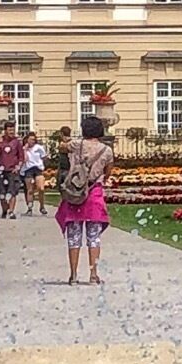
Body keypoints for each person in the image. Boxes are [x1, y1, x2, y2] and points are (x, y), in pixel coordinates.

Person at [57, 113, 115, 285]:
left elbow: (61, 147)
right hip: (94, 193)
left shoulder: (77, 144)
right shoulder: (107, 150)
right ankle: (93, 274)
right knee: (94, 236)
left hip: (76, 192)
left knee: (74, 235)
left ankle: (73, 275)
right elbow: (108, 171)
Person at [21, 132, 47, 215]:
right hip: (28, 169)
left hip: (38, 169)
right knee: (30, 190)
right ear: (27, 140)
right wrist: (25, 149)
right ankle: (29, 208)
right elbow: (24, 160)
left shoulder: (38, 148)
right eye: (30, 139)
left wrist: (43, 166)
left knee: (41, 188)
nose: (32, 141)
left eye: (33, 139)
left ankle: (42, 206)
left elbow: (44, 157)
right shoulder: (24, 149)